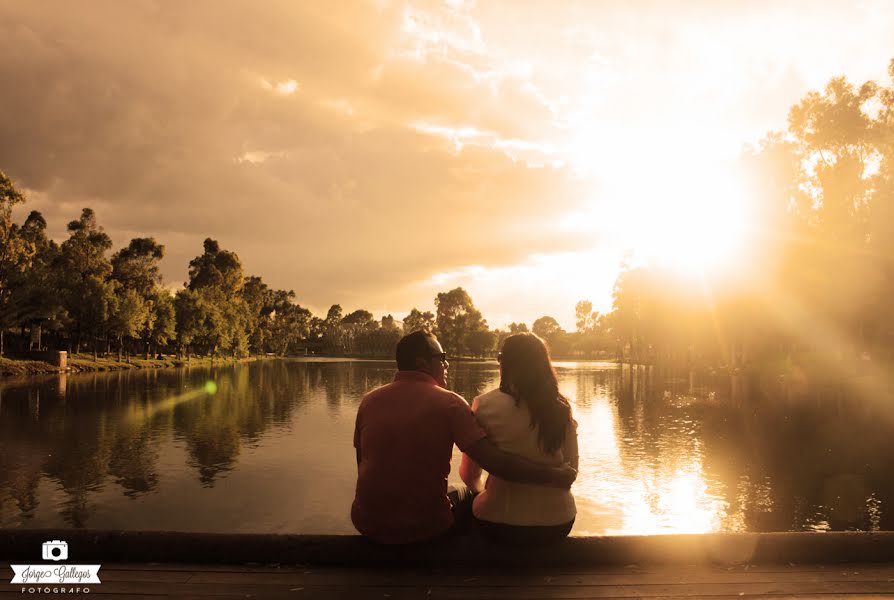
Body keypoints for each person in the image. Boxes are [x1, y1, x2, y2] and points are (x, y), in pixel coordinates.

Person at [351, 330, 576, 545]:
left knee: (464, 491)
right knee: (465, 496)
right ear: (422, 363)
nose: (447, 364)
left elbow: (362, 463)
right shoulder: (450, 403)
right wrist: (554, 475)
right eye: (442, 357)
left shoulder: (369, 401)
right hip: (426, 528)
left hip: (368, 523)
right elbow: (495, 463)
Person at [460, 332, 578, 544]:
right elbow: (571, 473)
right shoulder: (562, 408)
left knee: (465, 501)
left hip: (500, 523)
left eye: (499, 357)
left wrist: (483, 494)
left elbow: (469, 475)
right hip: (559, 524)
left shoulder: (484, 404)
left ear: (505, 363)